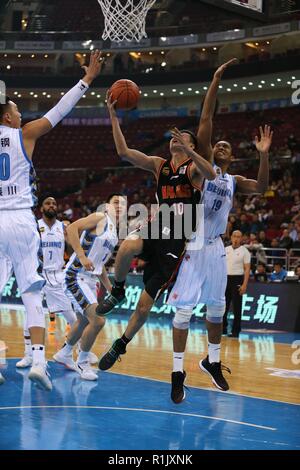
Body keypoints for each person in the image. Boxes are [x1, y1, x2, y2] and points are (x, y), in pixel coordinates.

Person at [166, 59, 272, 402]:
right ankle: (177, 370)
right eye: (218, 145)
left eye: (227, 147)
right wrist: (214, 80)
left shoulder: (234, 180)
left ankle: (212, 362)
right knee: (183, 312)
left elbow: (262, 186)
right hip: (193, 245)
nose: (222, 147)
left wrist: (264, 156)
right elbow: (207, 119)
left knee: (216, 310)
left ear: (232, 156)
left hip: (217, 248)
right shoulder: (201, 170)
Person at [0, 50, 103, 389]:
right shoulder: (24, 133)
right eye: (16, 110)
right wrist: (86, 80)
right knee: (31, 293)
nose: (20, 113)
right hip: (19, 219)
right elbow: (59, 112)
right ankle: (40, 361)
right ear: (8, 118)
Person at [96, 93, 216, 371]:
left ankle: (120, 344)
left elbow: (211, 174)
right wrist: (113, 117)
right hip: (156, 229)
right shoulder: (159, 165)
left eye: (184, 137)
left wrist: (191, 148)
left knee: (143, 308)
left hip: (177, 240)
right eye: (174, 136)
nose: (176, 138)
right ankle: (118, 290)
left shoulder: (195, 170)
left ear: (192, 145)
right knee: (126, 246)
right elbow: (124, 153)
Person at [53, 194, 126, 380]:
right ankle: (82, 361)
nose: (120, 206)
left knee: (84, 321)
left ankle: (65, 353)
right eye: (116, 202)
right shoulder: (100, 217)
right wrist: (81, 256)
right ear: (107, 205)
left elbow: (99, 266)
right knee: (98, 320)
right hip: (75, 276)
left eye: (123, 204)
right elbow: (71, 228)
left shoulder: (114, 234)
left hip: (90, 279)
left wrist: (110, 288)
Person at [223, 231, 251, 338]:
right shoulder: (226, 250)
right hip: (225, 279)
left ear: (241, 239)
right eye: (234, 236)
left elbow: (247, 269)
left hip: (237, 279)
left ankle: (235, 331)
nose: (236, 239)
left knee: (237, 307)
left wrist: (244, 284)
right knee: (223, 306)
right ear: (231, 237)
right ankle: (223, 328)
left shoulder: (245, 251)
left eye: (238, 237)